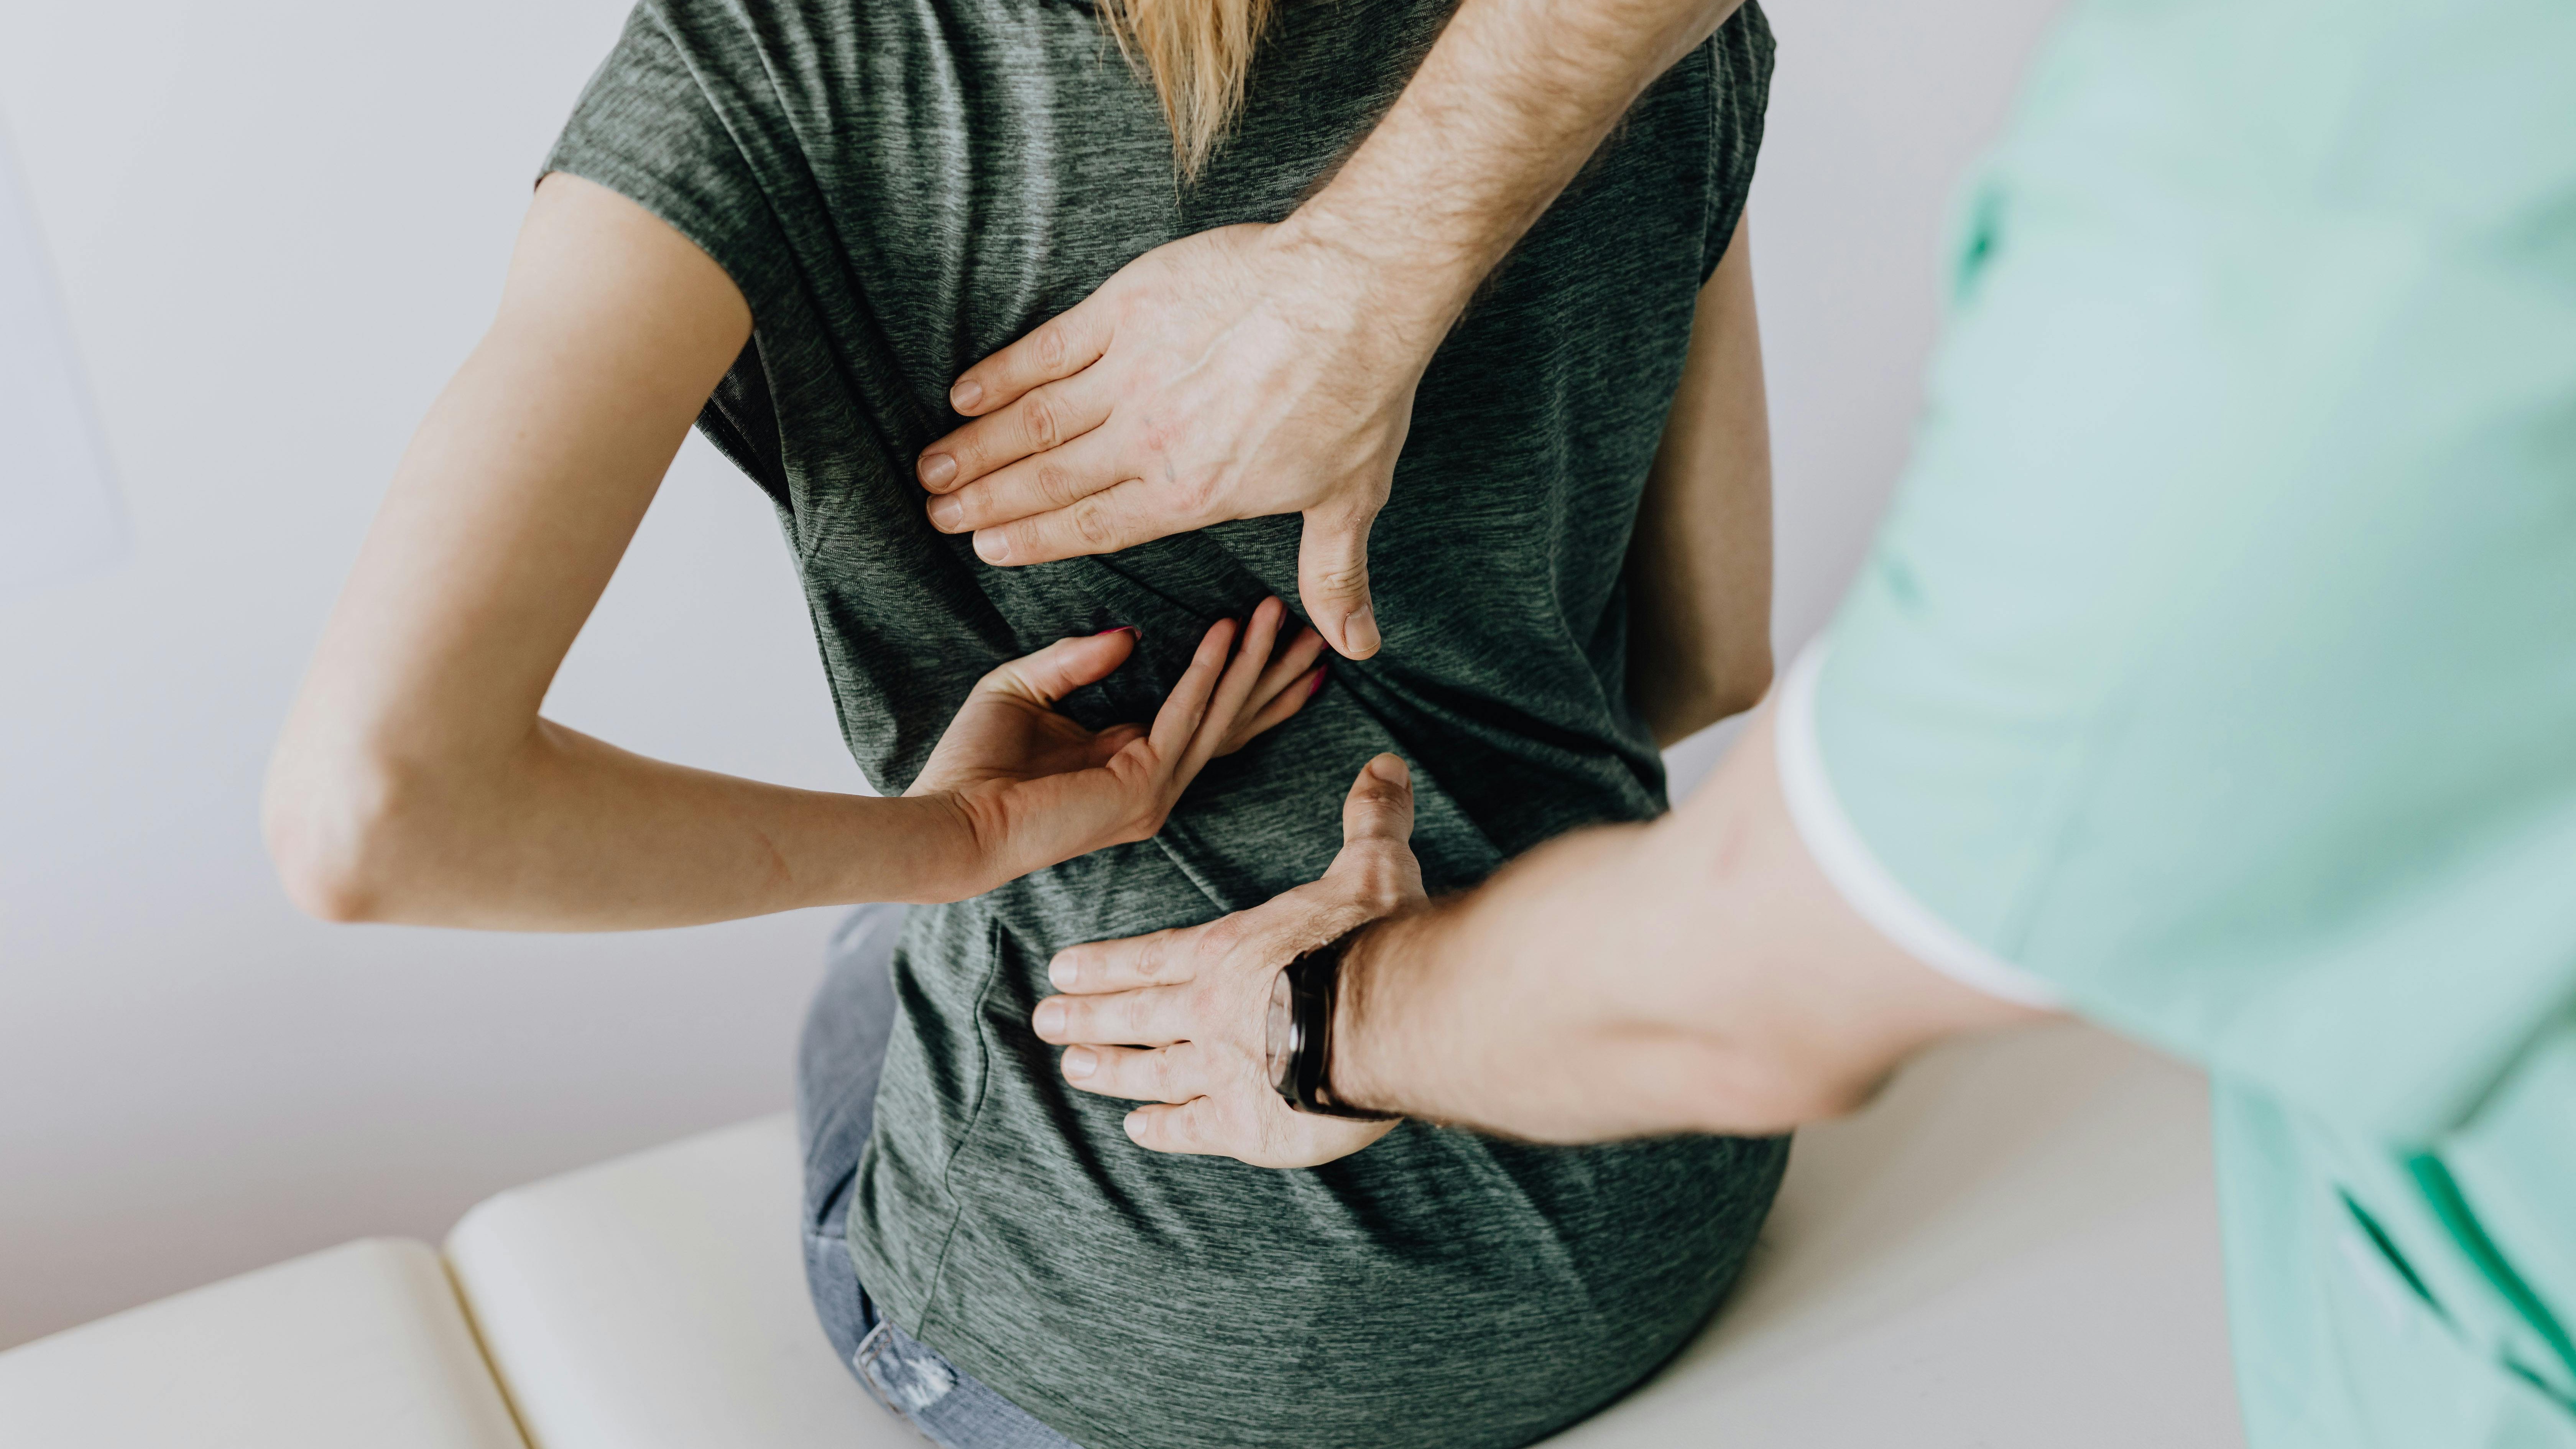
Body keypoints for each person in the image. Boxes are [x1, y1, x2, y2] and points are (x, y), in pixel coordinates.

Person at [1019, 0, 2576, 1444]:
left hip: (1150, 1315)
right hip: (1661, 1217)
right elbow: (1707, 663)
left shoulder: (2295, 223)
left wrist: (1312, 1014)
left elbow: (1777, 976)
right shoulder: (1674, 65)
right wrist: (1375, 264)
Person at [263, 0, 1789, 1446]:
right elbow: (1707, 662)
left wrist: (956, 838)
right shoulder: (1603, 40)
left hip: (1159, 1343)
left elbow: (379, 812)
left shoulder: (767, 61)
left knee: (872, 947)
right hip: (1648, 1180)